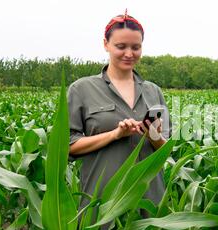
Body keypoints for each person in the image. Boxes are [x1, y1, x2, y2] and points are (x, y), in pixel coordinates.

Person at [67, 10, 171, 210]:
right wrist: (115, 134)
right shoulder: (81, 89)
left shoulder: (153, 91)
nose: (129, 54)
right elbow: (67, 147)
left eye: (136, 47)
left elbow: (165, 150)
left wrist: (153, 135)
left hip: (149, 201)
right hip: (102, 202)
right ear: (106, 44)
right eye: (121, 46)